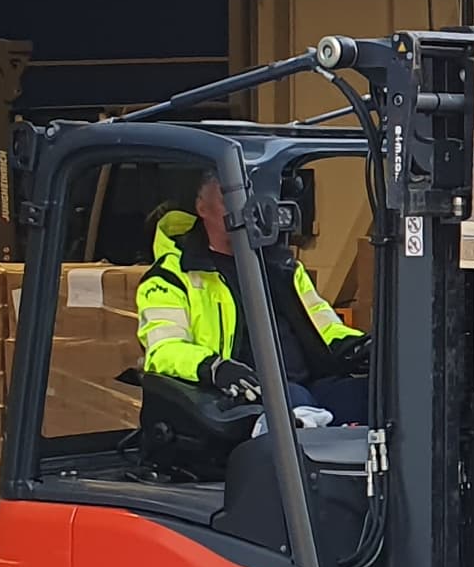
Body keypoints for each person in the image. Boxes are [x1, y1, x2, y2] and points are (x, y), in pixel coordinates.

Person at [136, 172, 371, 426]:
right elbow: (164, 349)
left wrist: (357, 347)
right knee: (296, 405)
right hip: (238, 393)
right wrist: (214, 368)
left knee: (378, 396)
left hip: (307, 383)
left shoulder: (282, 266)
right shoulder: (171, 277)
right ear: (201, 207)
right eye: (230, 200)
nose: (244, 209)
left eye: (249, 199)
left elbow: (324, 324)